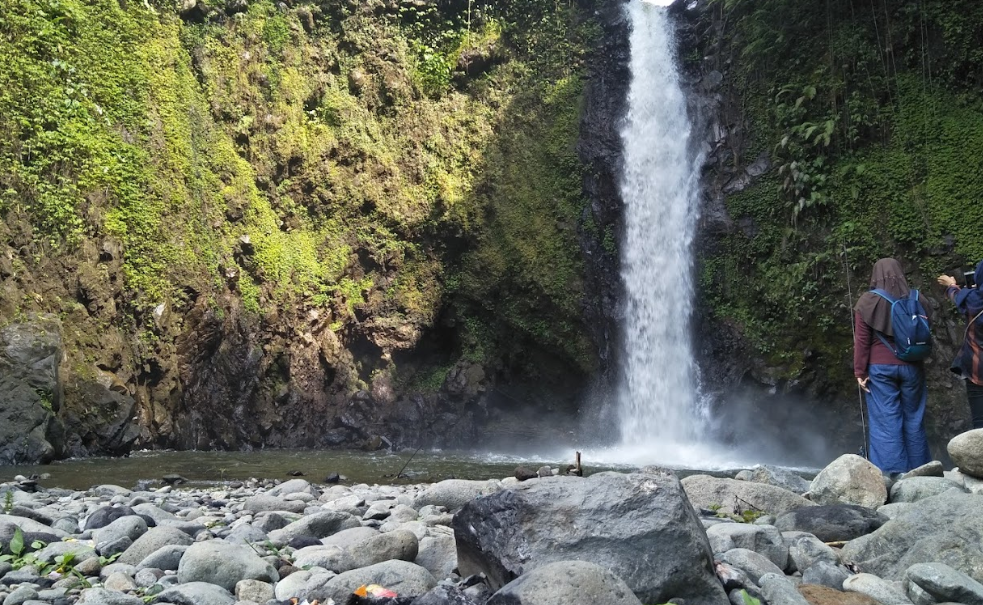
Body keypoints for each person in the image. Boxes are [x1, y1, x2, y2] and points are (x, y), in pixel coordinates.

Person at [853, 258, 932, 473]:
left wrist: (860, 371)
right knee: (914, 421)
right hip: (912, 367)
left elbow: (861, 340)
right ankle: (921, 471)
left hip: (880, 369)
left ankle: (892, 474)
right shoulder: (919, 299)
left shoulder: (867, 302)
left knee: (887, 422)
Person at [937, 260, 983, 429]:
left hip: (977, 370)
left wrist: (951, 284)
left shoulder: (973, 301)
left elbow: (957, 296)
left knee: (980, 423)